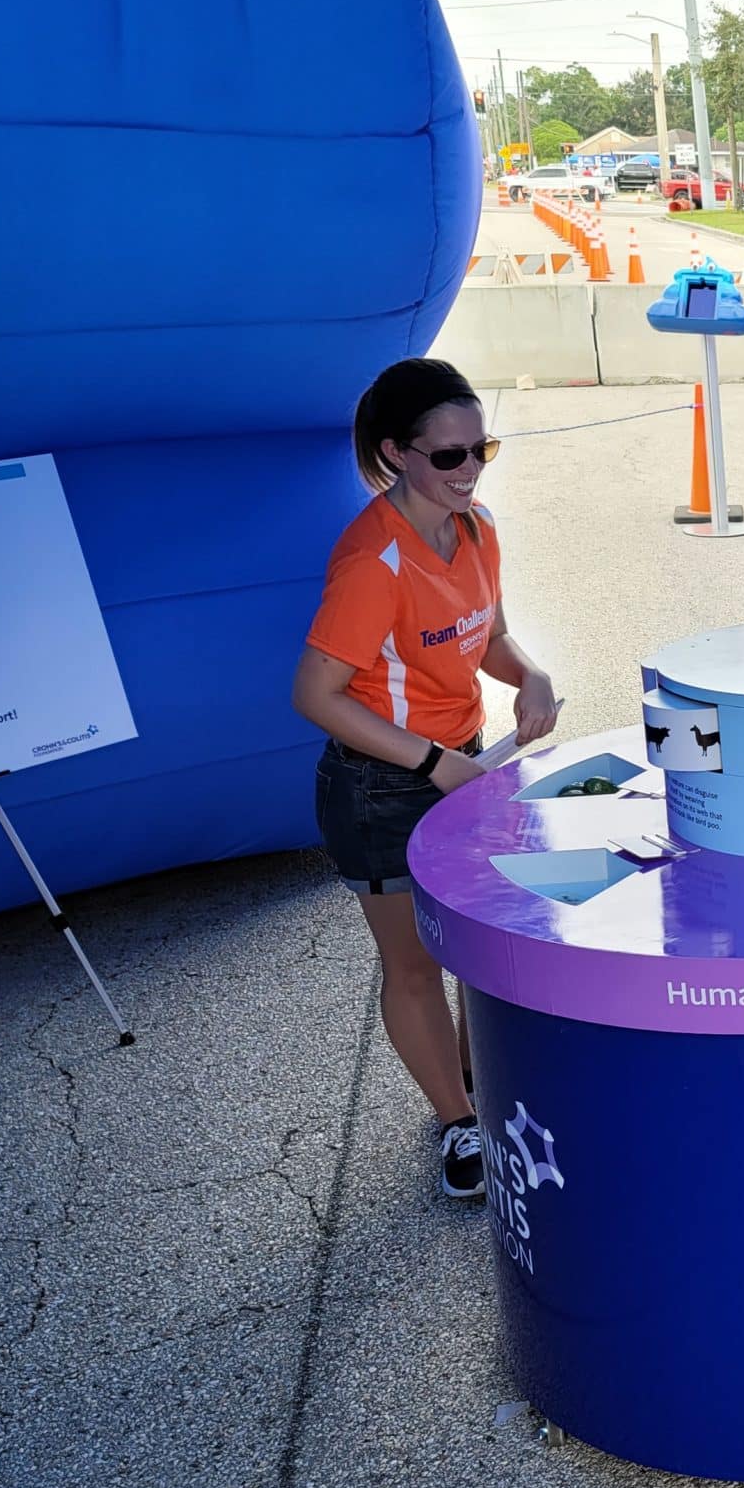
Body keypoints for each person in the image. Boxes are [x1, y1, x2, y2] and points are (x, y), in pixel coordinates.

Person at [292, 359, 562, 1200]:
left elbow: (487, 640)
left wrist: (534, 677)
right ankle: (458, 1126)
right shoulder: (375, 560)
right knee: (416, 969)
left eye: (479, 447)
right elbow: (314, 694)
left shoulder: (475, 525)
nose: (469, 469)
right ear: (396, 454)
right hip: (384, 785)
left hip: (462, 764)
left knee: (481, 952)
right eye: (447, 456)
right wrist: (433, 762)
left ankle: (487, 1096)